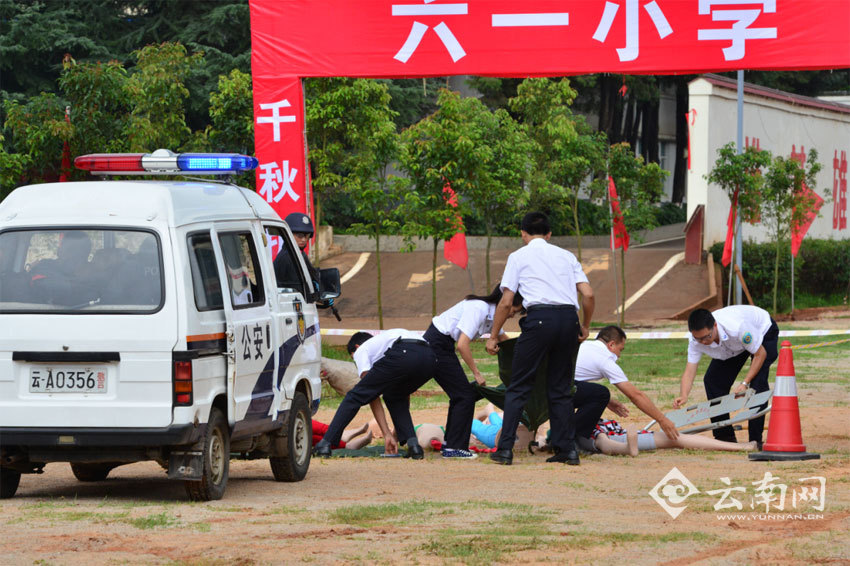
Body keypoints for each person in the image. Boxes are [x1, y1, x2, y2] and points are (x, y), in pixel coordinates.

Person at [485, 211, 595, 466]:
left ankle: (505, 451)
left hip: (539, 320)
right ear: (549, 235)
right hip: (569, 320)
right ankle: (567, 450)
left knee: (519, 385)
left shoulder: (518, 256)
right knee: (560, 388)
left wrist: (493, 336)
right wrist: (585, 326)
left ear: (523, 234)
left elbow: (506, 302)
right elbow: (588, 295)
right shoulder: (567, 256)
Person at [423, 285, 525, 459]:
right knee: (464, 395)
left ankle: (451, 444)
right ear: (505, 303)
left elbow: (503, 340)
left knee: (461, 394)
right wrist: (477, 373)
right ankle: (455, 447)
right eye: (514, 310)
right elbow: (463, 344)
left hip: (443, 345)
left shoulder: (494, 316)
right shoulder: (479, 308)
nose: (512, 315)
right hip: (436, 344)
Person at [313, 329, 437, 459]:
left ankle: (326, 443)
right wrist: (394, 433)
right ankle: (414, 446)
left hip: (404, 352)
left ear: (356, 347)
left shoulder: (362, 350)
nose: (357, 362)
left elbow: (371, 394)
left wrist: (386, 434)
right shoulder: (385, 342)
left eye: (353, 357)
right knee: (395, 396)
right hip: (430, 359)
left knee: (353, 396)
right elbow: (403, 396)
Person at [674, 306, 779, 447]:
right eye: (698, 338)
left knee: (757, 384)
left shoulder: (737, 328)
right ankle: (725, 438)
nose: (703, 342)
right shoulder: (695, 341)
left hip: (763, 331)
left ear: (715, 325)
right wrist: (684, 394)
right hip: (733, 346)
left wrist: (745, 382)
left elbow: (760, 354)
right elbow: (690, 370)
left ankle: (755, 440)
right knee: (713, 381)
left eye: (707, 337)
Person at [573, 326, 680, 453]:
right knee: (602, 393)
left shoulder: (585, 345)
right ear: (611, 345)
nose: (619, 355)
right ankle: (570, 438)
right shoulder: (605, 358)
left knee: (600, 394)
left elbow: (576, 380)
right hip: (557, 391)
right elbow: (635, 395)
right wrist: (662, 419)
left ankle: (562, 435)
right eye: (620, 350)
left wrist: (607, 401)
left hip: (551, 386)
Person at [586, 418, 757, 457]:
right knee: (677, 439)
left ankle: (627, 448)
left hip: (612, 432)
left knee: (601, 440)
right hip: (602, 432)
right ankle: (739, 447)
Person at [283, 212, 338, 318]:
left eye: (306, 236)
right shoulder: (288, 259)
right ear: (288, 235)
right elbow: (298, 292)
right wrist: (318, 296)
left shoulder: (299, 254)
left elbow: (312, 276)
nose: (304, 239)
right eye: (299, 235)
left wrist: (322, 292)